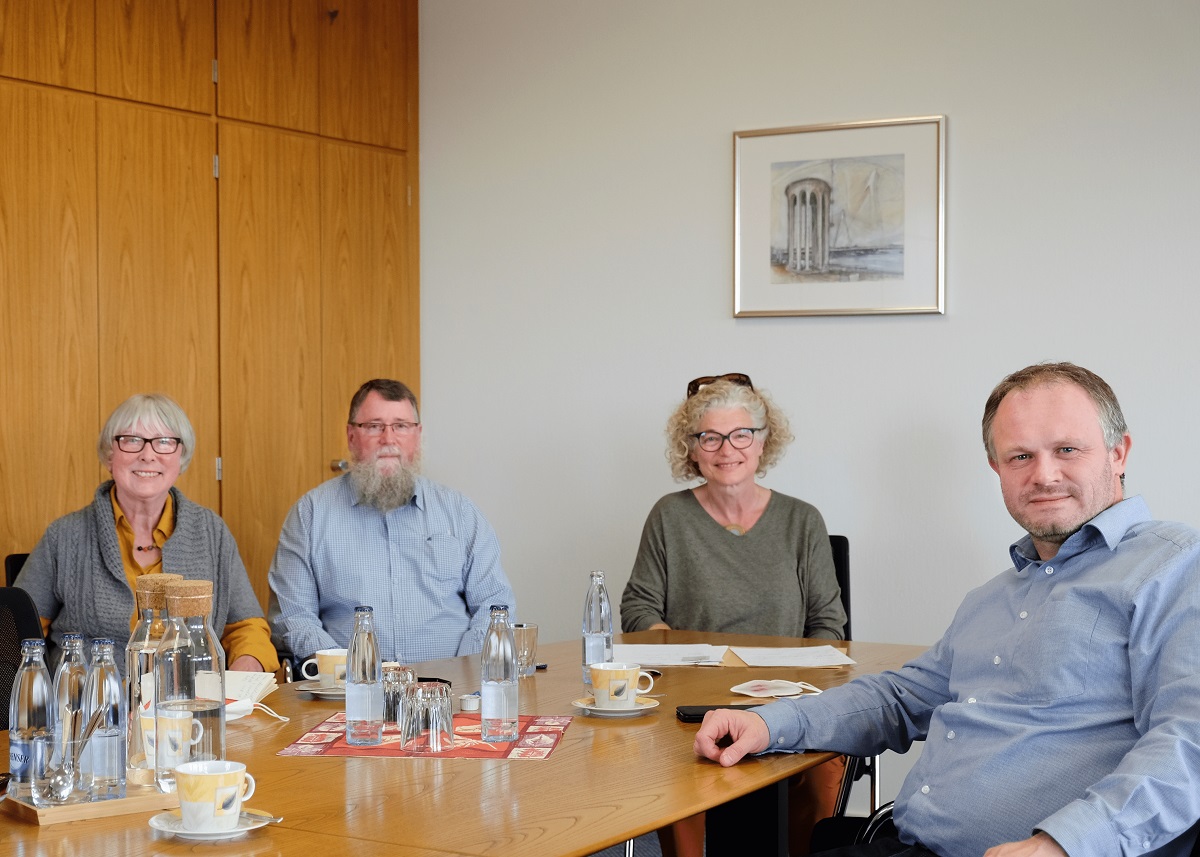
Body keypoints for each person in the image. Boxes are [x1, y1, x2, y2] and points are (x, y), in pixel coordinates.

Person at [695, 362, 1200, 857]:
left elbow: (1189, 740)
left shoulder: (1174, 565)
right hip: (905, 843)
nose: (1044, 474)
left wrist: (1063, 845)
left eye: (1067, 449)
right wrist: (770, 723)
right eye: (1020, 457)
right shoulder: (991, 598)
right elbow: (899, 697)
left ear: (1119, 452)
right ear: (997, 469)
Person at [621, 373, 847, 857]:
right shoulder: (669, 516)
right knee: (676, 762)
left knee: (829, 763)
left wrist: (794, 684)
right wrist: (685, 660)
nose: (728, 449)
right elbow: (638, 607)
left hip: (787, 695)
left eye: (742, 434)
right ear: (693, 449)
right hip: (691, 696)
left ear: (763, 442)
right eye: (711, 437)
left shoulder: (802, 520)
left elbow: (829, 622)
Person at [16, 394, 277, 674]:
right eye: (132, 440)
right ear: (109, 454)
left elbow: (247, 629)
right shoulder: (64, 536)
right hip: (91, 708)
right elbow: (14, 632)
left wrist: (239, 682)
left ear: (181, 456)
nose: (148, 454)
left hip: (190, 707)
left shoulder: (212, 532)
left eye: (164, 441)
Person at [267, 378, 516, 664]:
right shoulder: (309, 514)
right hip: (349, 694)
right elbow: (292, 616)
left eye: (400, 426)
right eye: (374, 426)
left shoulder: (459, 512)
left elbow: (495, 605)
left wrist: (462, 671)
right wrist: (348, 672)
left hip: (452, 692)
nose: (388, 439)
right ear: (351, 436)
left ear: (417, 435)